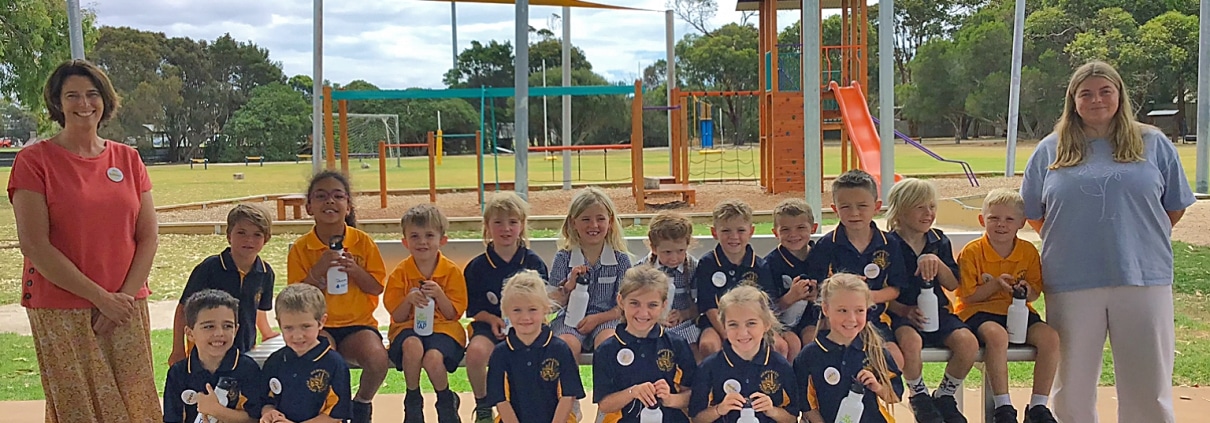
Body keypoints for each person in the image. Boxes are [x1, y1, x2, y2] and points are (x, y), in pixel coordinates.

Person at [1020, 60, 1195, 423]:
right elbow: (1035, 213)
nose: (1096, 100)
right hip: (1071, 280)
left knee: (1149, 384)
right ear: (1073, 100)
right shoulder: (1050, 149)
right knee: (1072, 386)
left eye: (1105, 91)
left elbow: (1174, 207)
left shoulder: (1153, 143)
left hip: (1143, 277)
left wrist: (1136, 236)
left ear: (1119, 95)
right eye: (1086, 93)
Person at [8, 59, 161, 421]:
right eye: (72, 95)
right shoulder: (34, 161)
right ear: (57, 103)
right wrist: (100, 299)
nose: (84, 103)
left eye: (92, 94)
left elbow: (148, 235)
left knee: (136, 406)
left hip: (125, 306)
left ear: (105, 100)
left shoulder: (128, 158)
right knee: (78, 409)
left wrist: (122, 299)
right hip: (61, 307)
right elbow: (35, 245)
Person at [285, 171, 388, 423]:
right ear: (309, 207)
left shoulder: (362, 242)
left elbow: (376, 287)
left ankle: (361, 404)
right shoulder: (301, 248)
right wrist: (317, 271)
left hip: (358, 325)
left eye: (338, 196)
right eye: (321, 196)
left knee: (377, 359)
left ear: (348, 206)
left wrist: (355, 270)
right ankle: (331, 412)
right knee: (323, 358)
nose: (330, 201)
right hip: (318, 325)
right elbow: (294, 299)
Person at [956, 189, 1060, 423]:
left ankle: (1038, 406)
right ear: (982, 220)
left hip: (1018, 311)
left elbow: (1034, 293)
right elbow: (968, 297)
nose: (1001, 224)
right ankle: (1003, 406)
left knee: (1050, 338)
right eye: (994, 218)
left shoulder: (1028, 251)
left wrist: (1025, 289)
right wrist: (995, 285)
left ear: (1021, 223)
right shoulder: (973, 251)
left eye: (1009, 219)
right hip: (979, 312)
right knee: (997, 336)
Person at [885, 179, 978, 423]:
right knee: (910, 341)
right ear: (900, 210)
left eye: (932, 207)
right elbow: (879, 289)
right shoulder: (887, 244)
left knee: (968, 343)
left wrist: (936, 263)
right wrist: (903, 310)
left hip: (938, 311)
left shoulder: (938, 240)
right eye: (920, 207)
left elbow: (953, 284)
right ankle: (918, 395)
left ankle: (945, 394)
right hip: (901, 313)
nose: (928, 213)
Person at [806, 169, 908, 368]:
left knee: (894, 359)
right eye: (845, 206)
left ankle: (879, 390)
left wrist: (866, 297)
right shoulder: (826, 246)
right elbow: (817, 290)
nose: (854, 213)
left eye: (862, 206)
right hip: (834, 323)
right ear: (835, 209)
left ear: (876, 207)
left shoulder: (890, 244)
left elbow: (896, 288)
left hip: (874, 320)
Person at [463, 191, 550, 423]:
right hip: (489, 327)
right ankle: (483, 405)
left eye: (512, 222)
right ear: (487, 226)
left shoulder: (533, 263)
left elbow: (543, 305)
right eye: (498, 222)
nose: (506, 228)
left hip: (529, 327)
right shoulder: (477, 267)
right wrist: (493, 320)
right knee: (476, 353)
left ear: (522, 225)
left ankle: (538, 404)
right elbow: (473, 309)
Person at [384, 204, 468, 423]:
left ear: (442, 240)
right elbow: (397, 316)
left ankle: (445, 400)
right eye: (415, 236)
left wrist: (440, 295)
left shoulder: (451, 272)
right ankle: (413, 399)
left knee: (432, 358)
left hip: (444, 328)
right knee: (412, 346)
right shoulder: (400, 273)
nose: (422, 242)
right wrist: (408, 300)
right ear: (405, 242)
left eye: (429, 235)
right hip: (407, 328)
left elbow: (453, 314)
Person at [171, 204, 278, 365]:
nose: (249, 240)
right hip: (205, 352)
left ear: (266, 239)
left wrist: (267, 332)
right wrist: (177, 349)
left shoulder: (265, 272)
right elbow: (183, 309)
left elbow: (258, 309)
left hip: (243, 351)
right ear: (229, 235)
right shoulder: (210, 268)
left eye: (257, 234)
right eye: (241, 233)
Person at [795, 273, 904, 423]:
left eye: (859, 310)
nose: (851, 319)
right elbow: (807, 407)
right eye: (842, 310)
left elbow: (895, 396)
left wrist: (877, 387)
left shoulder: (875, 351)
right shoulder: (810, 356)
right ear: (826, 309)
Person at [593, 265, 697, 422]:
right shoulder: (606, 350)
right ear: (621, 301)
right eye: (634, 303)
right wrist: (633, 392)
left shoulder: (676, 344)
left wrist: (670, 399)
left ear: (664, 305)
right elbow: (604, 404)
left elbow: (692, 394)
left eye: (652, 305)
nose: (643, 312)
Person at [688, 285, 799, 423]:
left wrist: (772, 411)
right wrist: (719, 410)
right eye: (733, 324)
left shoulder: (780, 366)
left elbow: (792, 417)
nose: (742, 332)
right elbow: (696, 418)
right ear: (723, 326)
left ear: (766, 324)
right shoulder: (709, 368)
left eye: (751, 323)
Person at [486, 270, 586, 423]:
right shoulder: (500, 354)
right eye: (517, 310)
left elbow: (568, 396)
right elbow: (501, 401)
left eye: (532, 309)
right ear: (506, 311)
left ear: (545, 308)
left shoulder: (560, 349)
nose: (525, 317)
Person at [694, 200, 782, 358]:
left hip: (753, 323)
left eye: (741, 230)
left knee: (779, 346)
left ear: (751, 231)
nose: (734, 236)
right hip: (717, 324)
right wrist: (727, 332)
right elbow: (708, 306)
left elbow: (767, 306)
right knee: (709, 345)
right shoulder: (707, 264)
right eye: (726, 230)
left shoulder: (760, 266)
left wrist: (754, 330)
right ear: (714, 232)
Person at [164, 290, 263, 423]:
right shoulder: (178, 373)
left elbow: (255, 418)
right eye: (209, 326)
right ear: (190, 333)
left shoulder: (248, 368)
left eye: (227, 326)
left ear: (236, 330)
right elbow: (172, 418)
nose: (219, 333)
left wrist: (216, 411)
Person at [259, 284, 352, 423]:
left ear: (321, 322)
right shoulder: (275, 361)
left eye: (305, 326)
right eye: (288, 328)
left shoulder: (335, 364)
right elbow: (266, 401)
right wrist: (269, 413)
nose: (297, 336)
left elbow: (337, 414)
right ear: (279, 324)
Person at [635, 211, 701, 359]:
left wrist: (684, 314)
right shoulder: (643, 270)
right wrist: (655, 317)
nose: (674, 258)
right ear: (653, 248)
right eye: (667, 252)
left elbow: (701, 304)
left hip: (684, 324)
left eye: (680, 251)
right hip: (650, 322)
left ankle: (692, 374)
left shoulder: (693, 268)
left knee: (693, 346)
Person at [764, 198, 821, 352]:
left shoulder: (821, 256)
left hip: (815, 320)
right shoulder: (769, 264)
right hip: (781, 323)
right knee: (793, 343)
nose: (793, 234)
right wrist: (791, 297)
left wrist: (818, 295)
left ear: (813, 228)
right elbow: (767, 309)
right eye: (785, 229)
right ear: (775, 233)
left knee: (813, 341)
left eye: (801, 227)